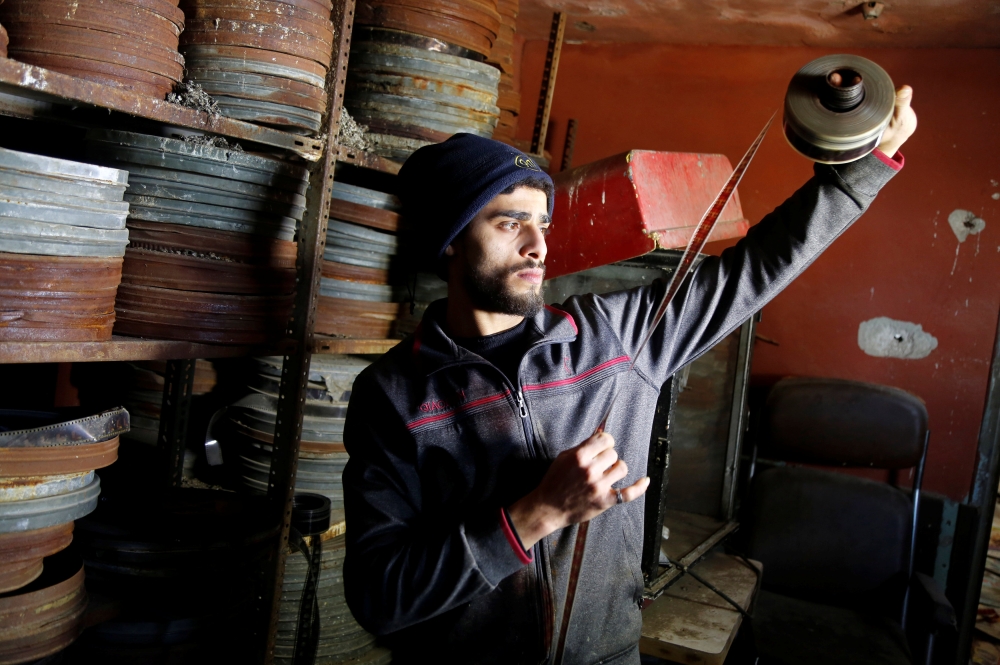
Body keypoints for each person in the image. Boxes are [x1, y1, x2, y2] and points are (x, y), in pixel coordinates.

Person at [343, 87, 918, 664]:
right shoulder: (394, 394)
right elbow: (379, 596)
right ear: (450, 239)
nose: (539, 244)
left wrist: (862, 171)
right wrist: (538, 513)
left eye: (542, 223)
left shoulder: (615, 338)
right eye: (509, 223)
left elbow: (758, 266)